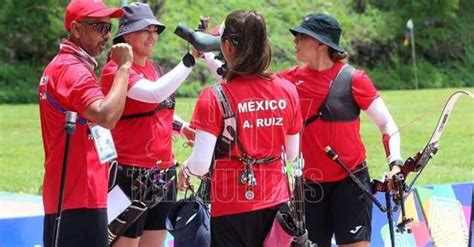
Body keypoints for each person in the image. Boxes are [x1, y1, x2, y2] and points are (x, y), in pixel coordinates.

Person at [178, 10, 303, 247]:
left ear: (227, 46)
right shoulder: (287, 90)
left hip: (231, 207)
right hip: (277, 203)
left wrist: (186, 168)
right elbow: (292, 153)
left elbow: (200, 165)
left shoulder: (213, 96)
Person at [278, 13, 403, 247]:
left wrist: (395, 162)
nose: (295, 41)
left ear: (320, 43)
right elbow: (249, 84)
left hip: (351, 183)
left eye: (301, 36)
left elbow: (387, 125)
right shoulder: (289, 80)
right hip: (309, 186)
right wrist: (209, 56)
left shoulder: (354, 79)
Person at [100, 2, 196, 247]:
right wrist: (190, 60)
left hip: (163, 173)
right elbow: (153, 94)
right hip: (130, 173)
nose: (153, 36)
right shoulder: (117, 70)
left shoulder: (155, 68)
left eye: (155, 30)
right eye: (146, 30)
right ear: (126, 34)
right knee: (126, 242)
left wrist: (181, 126)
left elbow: (157, 108)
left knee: (156, 242)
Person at [38, 0, 133, 246]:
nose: (108, 35)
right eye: (100, 28)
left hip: (76, 193)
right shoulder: (71, 69)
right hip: (79, 196)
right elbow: (106, 115)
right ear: (77, 29)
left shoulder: (69, 66)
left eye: (109, 28)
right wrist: (124, 68)